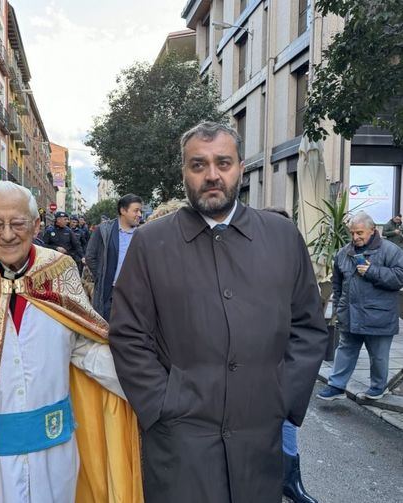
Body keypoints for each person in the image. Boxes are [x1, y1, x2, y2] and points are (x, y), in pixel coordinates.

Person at [108, 122, 328, 503]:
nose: (212, 175)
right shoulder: (150, 243)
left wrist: (282, 398)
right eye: (198, 165)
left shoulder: (282, 236)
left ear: (241, 167)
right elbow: (128, 334)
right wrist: (162, 404)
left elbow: (308, 327)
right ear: (184, 172)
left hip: (259, 436)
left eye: (223, 163)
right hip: (180, 440)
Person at [0, 181, 142, 502]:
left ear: (35, 225)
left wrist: (145, 386)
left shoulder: (58, 271)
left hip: (55, 447)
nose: (7, 234)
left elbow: (85, 345)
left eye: (17, 223)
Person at [317, 211, 403, 401]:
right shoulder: (343, 253)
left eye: (360, 233)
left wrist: (372, 271)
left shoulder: (391, 251)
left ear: (372, 231)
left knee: (379, 356)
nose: (355, 237)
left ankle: (378, 387)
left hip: (379, 316)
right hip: (350, 314)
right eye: (353, 233)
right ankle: (336, 386)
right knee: (345, 349)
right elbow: (338, 285)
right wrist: (340, 308)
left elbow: (399, 278)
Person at [262, 207, 317, 503]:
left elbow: (309, 323)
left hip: (285, 361)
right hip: (252, 363)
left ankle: (290, 479)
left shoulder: (295, 264)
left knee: (286, 418)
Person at [85, 194, 143, 321]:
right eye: (136, 210)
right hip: (109, 292)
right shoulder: (104, 230)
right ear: (123, 210)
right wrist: (102, 275)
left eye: (140, 211)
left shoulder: (143, 233)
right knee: (107, 331)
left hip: (134, 293)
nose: (140, 214)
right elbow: (90, 256)